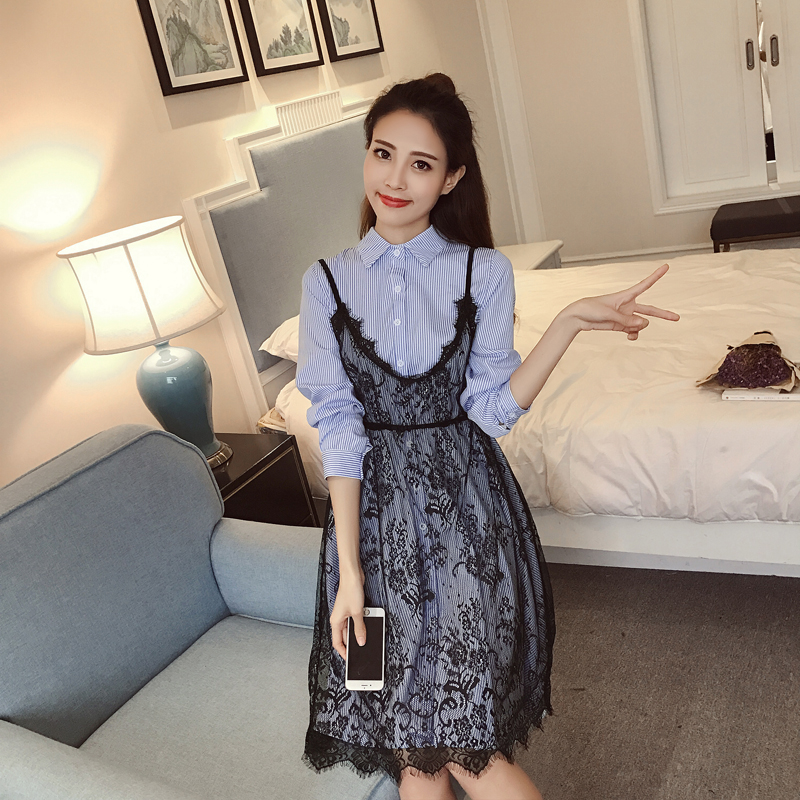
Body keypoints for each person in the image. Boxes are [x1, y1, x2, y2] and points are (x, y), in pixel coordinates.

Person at [297, 73, 679, 800]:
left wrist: (566, 323)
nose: (395, 179)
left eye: (421, 163)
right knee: (415, 755)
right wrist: (349, 573)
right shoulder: (325, 283)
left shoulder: (484, 272)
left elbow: (491, 411)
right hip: (372, 531)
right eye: (382, 153)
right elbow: (338, 427)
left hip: (467, 523)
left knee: (468, 748)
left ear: (451, 179)